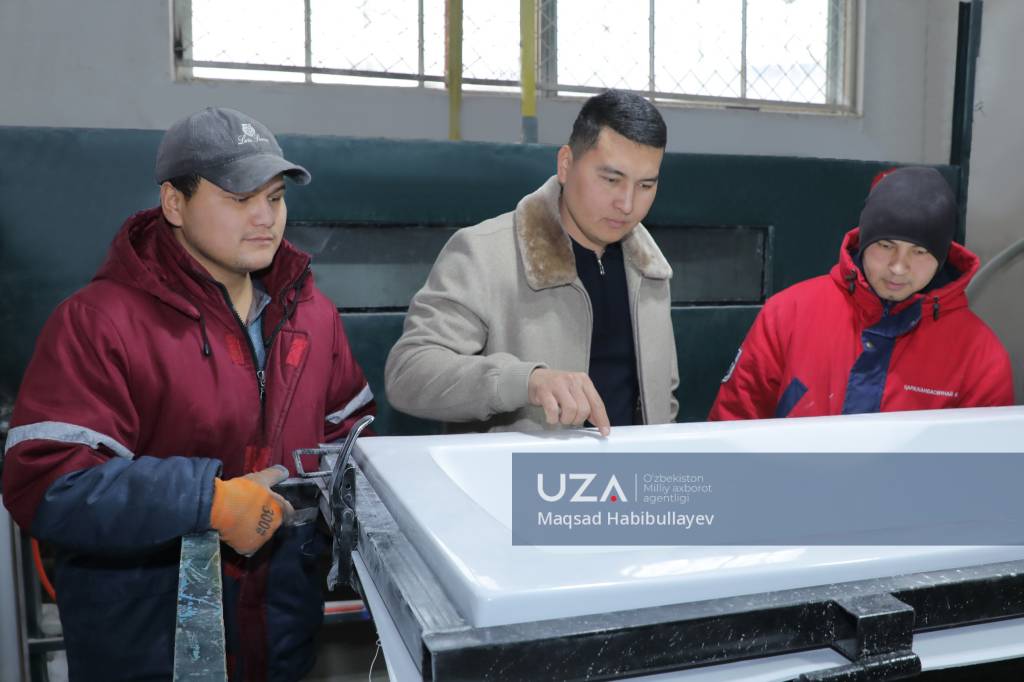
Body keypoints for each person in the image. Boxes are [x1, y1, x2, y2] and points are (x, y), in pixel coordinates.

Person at [1, 107, 375, 680]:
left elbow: (349, 437)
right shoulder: (99, 323)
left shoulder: (312, 316)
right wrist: (208, 503)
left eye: (275, 198)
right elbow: (46, 480)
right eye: (239, 198)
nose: (265, 218)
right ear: (174, 203)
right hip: (151, 648)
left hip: (281, 637)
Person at [385, 90, 678, 435]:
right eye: (611, 180)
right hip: (521, 470)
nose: (627, 204)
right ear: (566, 164)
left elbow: (664, 399)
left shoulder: (651, 269)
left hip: (636, 467)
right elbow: (409, 372)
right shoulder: (483, 253)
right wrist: (524, 381)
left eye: (645, 185)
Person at [709, 166, 1013, 420]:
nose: (898, 267)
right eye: (886, 245)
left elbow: (984, 465)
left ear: (943, 256)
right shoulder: (788, 314)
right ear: (864, 241)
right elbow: (732, 427)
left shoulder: (980, 356)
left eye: (920, 252)